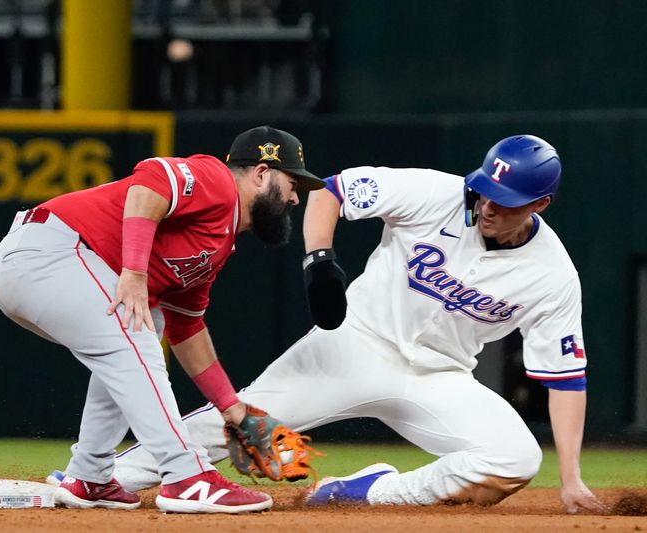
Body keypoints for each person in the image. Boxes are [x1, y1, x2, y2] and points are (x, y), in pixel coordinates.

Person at [68, 134, 605, 514]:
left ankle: (368, 492)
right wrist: (318, 260)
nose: (488, 204)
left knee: (515, 461)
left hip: (439, 376)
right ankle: (99, 478)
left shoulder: (552, 275)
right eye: (486, 188)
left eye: (506, 200)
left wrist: (573, 478)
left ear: (541, 203)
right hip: (352, 345)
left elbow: (566, 379)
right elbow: (333, 190)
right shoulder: (436, 193)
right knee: (240, 421)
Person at [0, 125, 324, 513]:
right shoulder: (217, 181)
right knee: (135, 326)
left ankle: (90, 476)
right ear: (262, 174)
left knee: (150, 324)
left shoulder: (219, 245)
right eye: (292, 182)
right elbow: (148, 182)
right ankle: (186, 475)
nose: (296, 198)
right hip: (49, 253)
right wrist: (133, 271)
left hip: (45, 269)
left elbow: (188, 329)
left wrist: (233, 409)